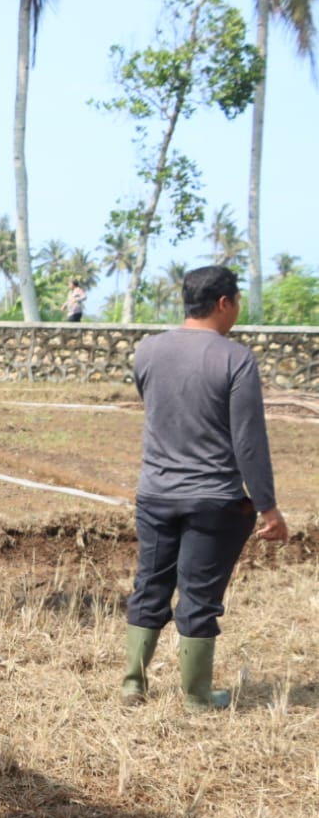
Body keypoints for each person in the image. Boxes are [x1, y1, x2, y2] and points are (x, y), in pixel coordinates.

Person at [122, 265, 288, 709]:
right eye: (236, 301)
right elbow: (249, 443)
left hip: (155, 494)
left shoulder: (148, 351)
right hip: (215, 499)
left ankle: (132, 683)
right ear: (223, 303)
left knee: (150, 584)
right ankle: (196, 695)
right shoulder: (236, 358)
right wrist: (269, 508)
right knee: (198, 596)